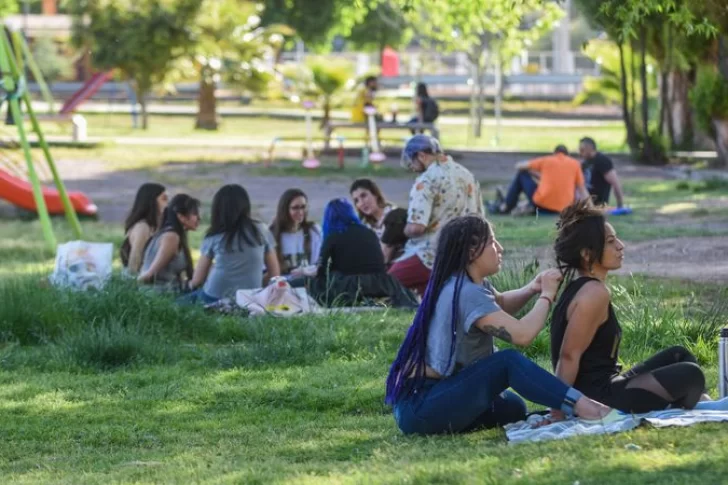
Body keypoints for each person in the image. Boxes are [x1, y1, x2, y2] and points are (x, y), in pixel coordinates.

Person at [385, 215, 615, 435]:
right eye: (493, 242)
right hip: (422, 404)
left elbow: (500, 303)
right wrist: (546, 295)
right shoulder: (466, 293)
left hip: (425, 401)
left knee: (513, 407)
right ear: (472, 251)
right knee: (507, 362)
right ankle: (584, 407)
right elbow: (523, 336)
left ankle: (452, 422)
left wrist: (532, 288)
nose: (500, 249)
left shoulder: (463, 283)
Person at [550, 200, 726, 415]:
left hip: (607, 384)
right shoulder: (593, 294)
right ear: (587, 254)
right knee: (691, 375)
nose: (620, 246)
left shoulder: (584, 288)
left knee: (679, 354)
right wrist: (558, 412)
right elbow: (568, 356)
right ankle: (706, 409)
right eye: (611, 242)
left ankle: (704, 406)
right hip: (597, 399)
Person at [389, 135, 484, 296]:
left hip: (430, 254)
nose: (411, 167)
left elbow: (417, 227)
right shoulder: (466, 175)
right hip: (464, 255)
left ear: (421, 156)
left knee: (386, 284)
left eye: (411, 161)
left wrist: (401, 230)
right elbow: (480, 216)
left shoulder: (426, 180)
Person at [311, 199, 417, 308]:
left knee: (313, 282)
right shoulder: (369, 233)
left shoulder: (332, 237)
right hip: (379, 284)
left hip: (349, 286)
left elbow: (322, 270)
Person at [184, 185, 280, 304]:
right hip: (250, 298)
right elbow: (275, 274)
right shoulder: (261, 230)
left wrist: (188, 285)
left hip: (215, 295)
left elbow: (197, 280)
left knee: (177, 304)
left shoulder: (214, 235)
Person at [495, 145, 590, 215]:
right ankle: (511, 206)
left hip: (541, 205)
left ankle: (507, 206)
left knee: (522, 174)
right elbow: (582, 189)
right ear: (567, 155)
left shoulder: (546, 160)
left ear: (554, 153)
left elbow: (519, 166)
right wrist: (592, 207)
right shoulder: (575, 164)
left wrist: (532, 172)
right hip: (563, 209)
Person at [138, 194, 200, 292]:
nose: (199, 218)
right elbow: (150, 275)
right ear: (181, 216)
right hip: (159, 296)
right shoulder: (171, 237)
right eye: (195, 213)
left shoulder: (173, 234)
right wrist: (130, 285)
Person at [270, 189, 322, 277]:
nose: (301, 212)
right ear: (284, 210)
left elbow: (318, 263)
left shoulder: (314, 231)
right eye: (295, 208)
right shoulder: (271, 233)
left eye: (303, 207)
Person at [120, 183, 168, 274]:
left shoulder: (157, 225)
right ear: (152, 201)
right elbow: (135, 260)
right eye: (164, 199)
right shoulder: (143, 227)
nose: (167, 203)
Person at [579, 137, 625, 207]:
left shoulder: (602, 161)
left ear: (590, 148)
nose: (580, 153)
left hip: (600, 205)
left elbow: (615, 183)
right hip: (586, 206)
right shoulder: (584, 163)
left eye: (582, 150)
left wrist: (620, 205)